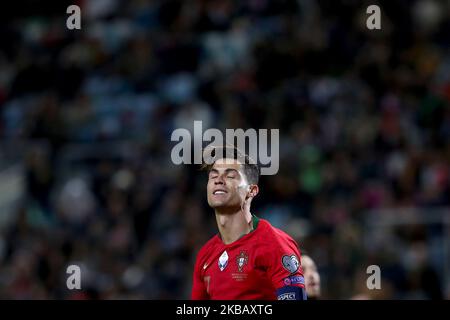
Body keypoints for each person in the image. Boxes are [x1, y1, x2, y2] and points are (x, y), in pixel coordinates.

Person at [191, 146, 306, 300]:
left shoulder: (275, 244)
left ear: (251, 191)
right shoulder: (205, 255)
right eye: (213, 176)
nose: (218, 180)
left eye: (230, 176)